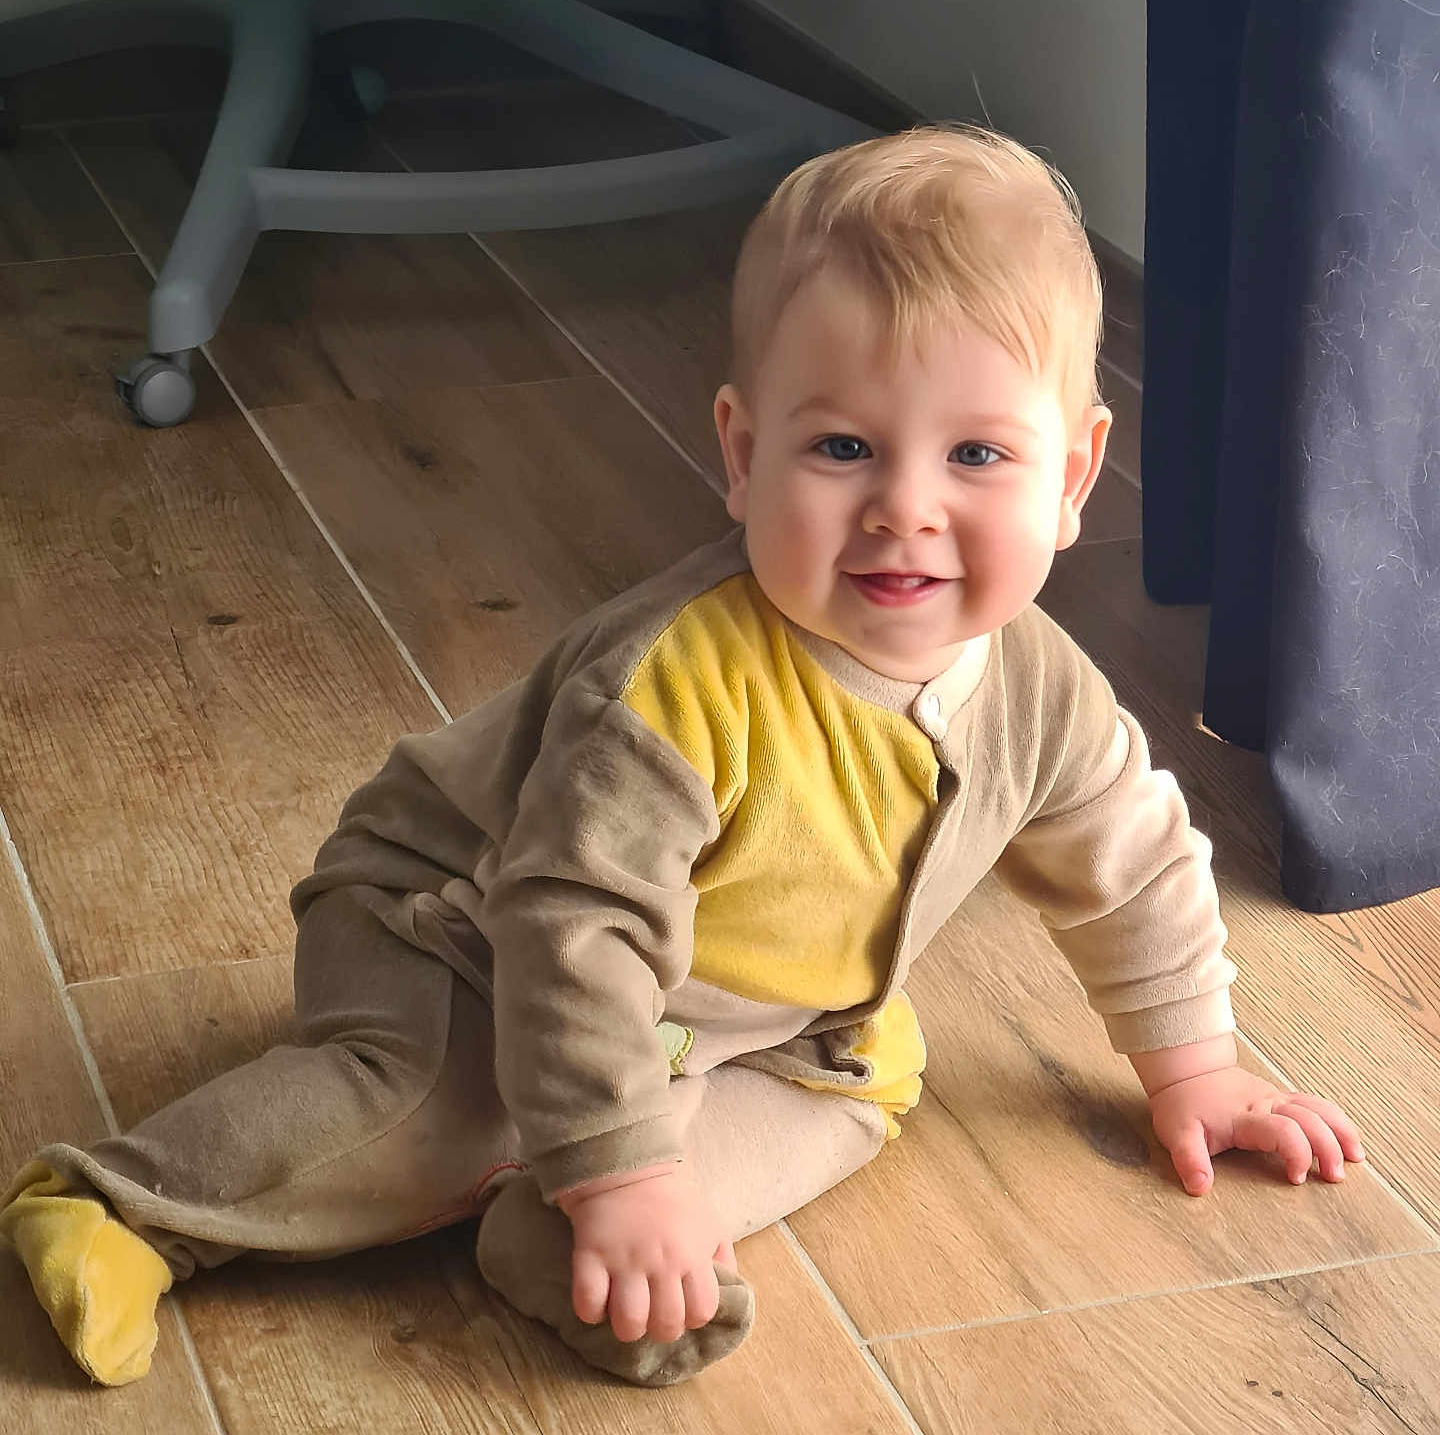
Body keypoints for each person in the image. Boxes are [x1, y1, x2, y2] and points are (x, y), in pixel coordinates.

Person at [0, 124, 1364, 1392]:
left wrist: (1199, 1069)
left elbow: (1133, 869)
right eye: (841, 448)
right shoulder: (668, 684)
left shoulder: (1042, 694)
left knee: (825, 1108)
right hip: (467, 932)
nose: (905, 508)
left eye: (976, 455)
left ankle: (566, 1225)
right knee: (434, 1113)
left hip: (762, 1027)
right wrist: (618, 1161)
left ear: (1071, 479)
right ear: (741, 449)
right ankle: (125, 1203)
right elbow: (571, 927)